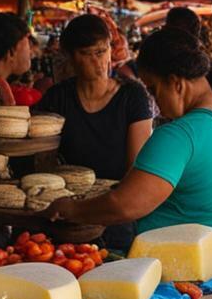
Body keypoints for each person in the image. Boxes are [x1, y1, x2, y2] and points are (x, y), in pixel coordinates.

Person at [48, 27, 212, 264]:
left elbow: (125, 205)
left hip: (199, 272)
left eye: (153, 89)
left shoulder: (178, 136)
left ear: (176, 83)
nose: (155, 102)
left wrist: (70, 209)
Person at [33, 14, 153, 180]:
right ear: (71, 57)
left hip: (117, 195)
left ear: (110, 50)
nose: (97, 63)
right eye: (86, 54)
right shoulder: (57, 97)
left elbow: (136, 168)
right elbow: (43, 159)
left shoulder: (132, 95)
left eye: (101, 52)